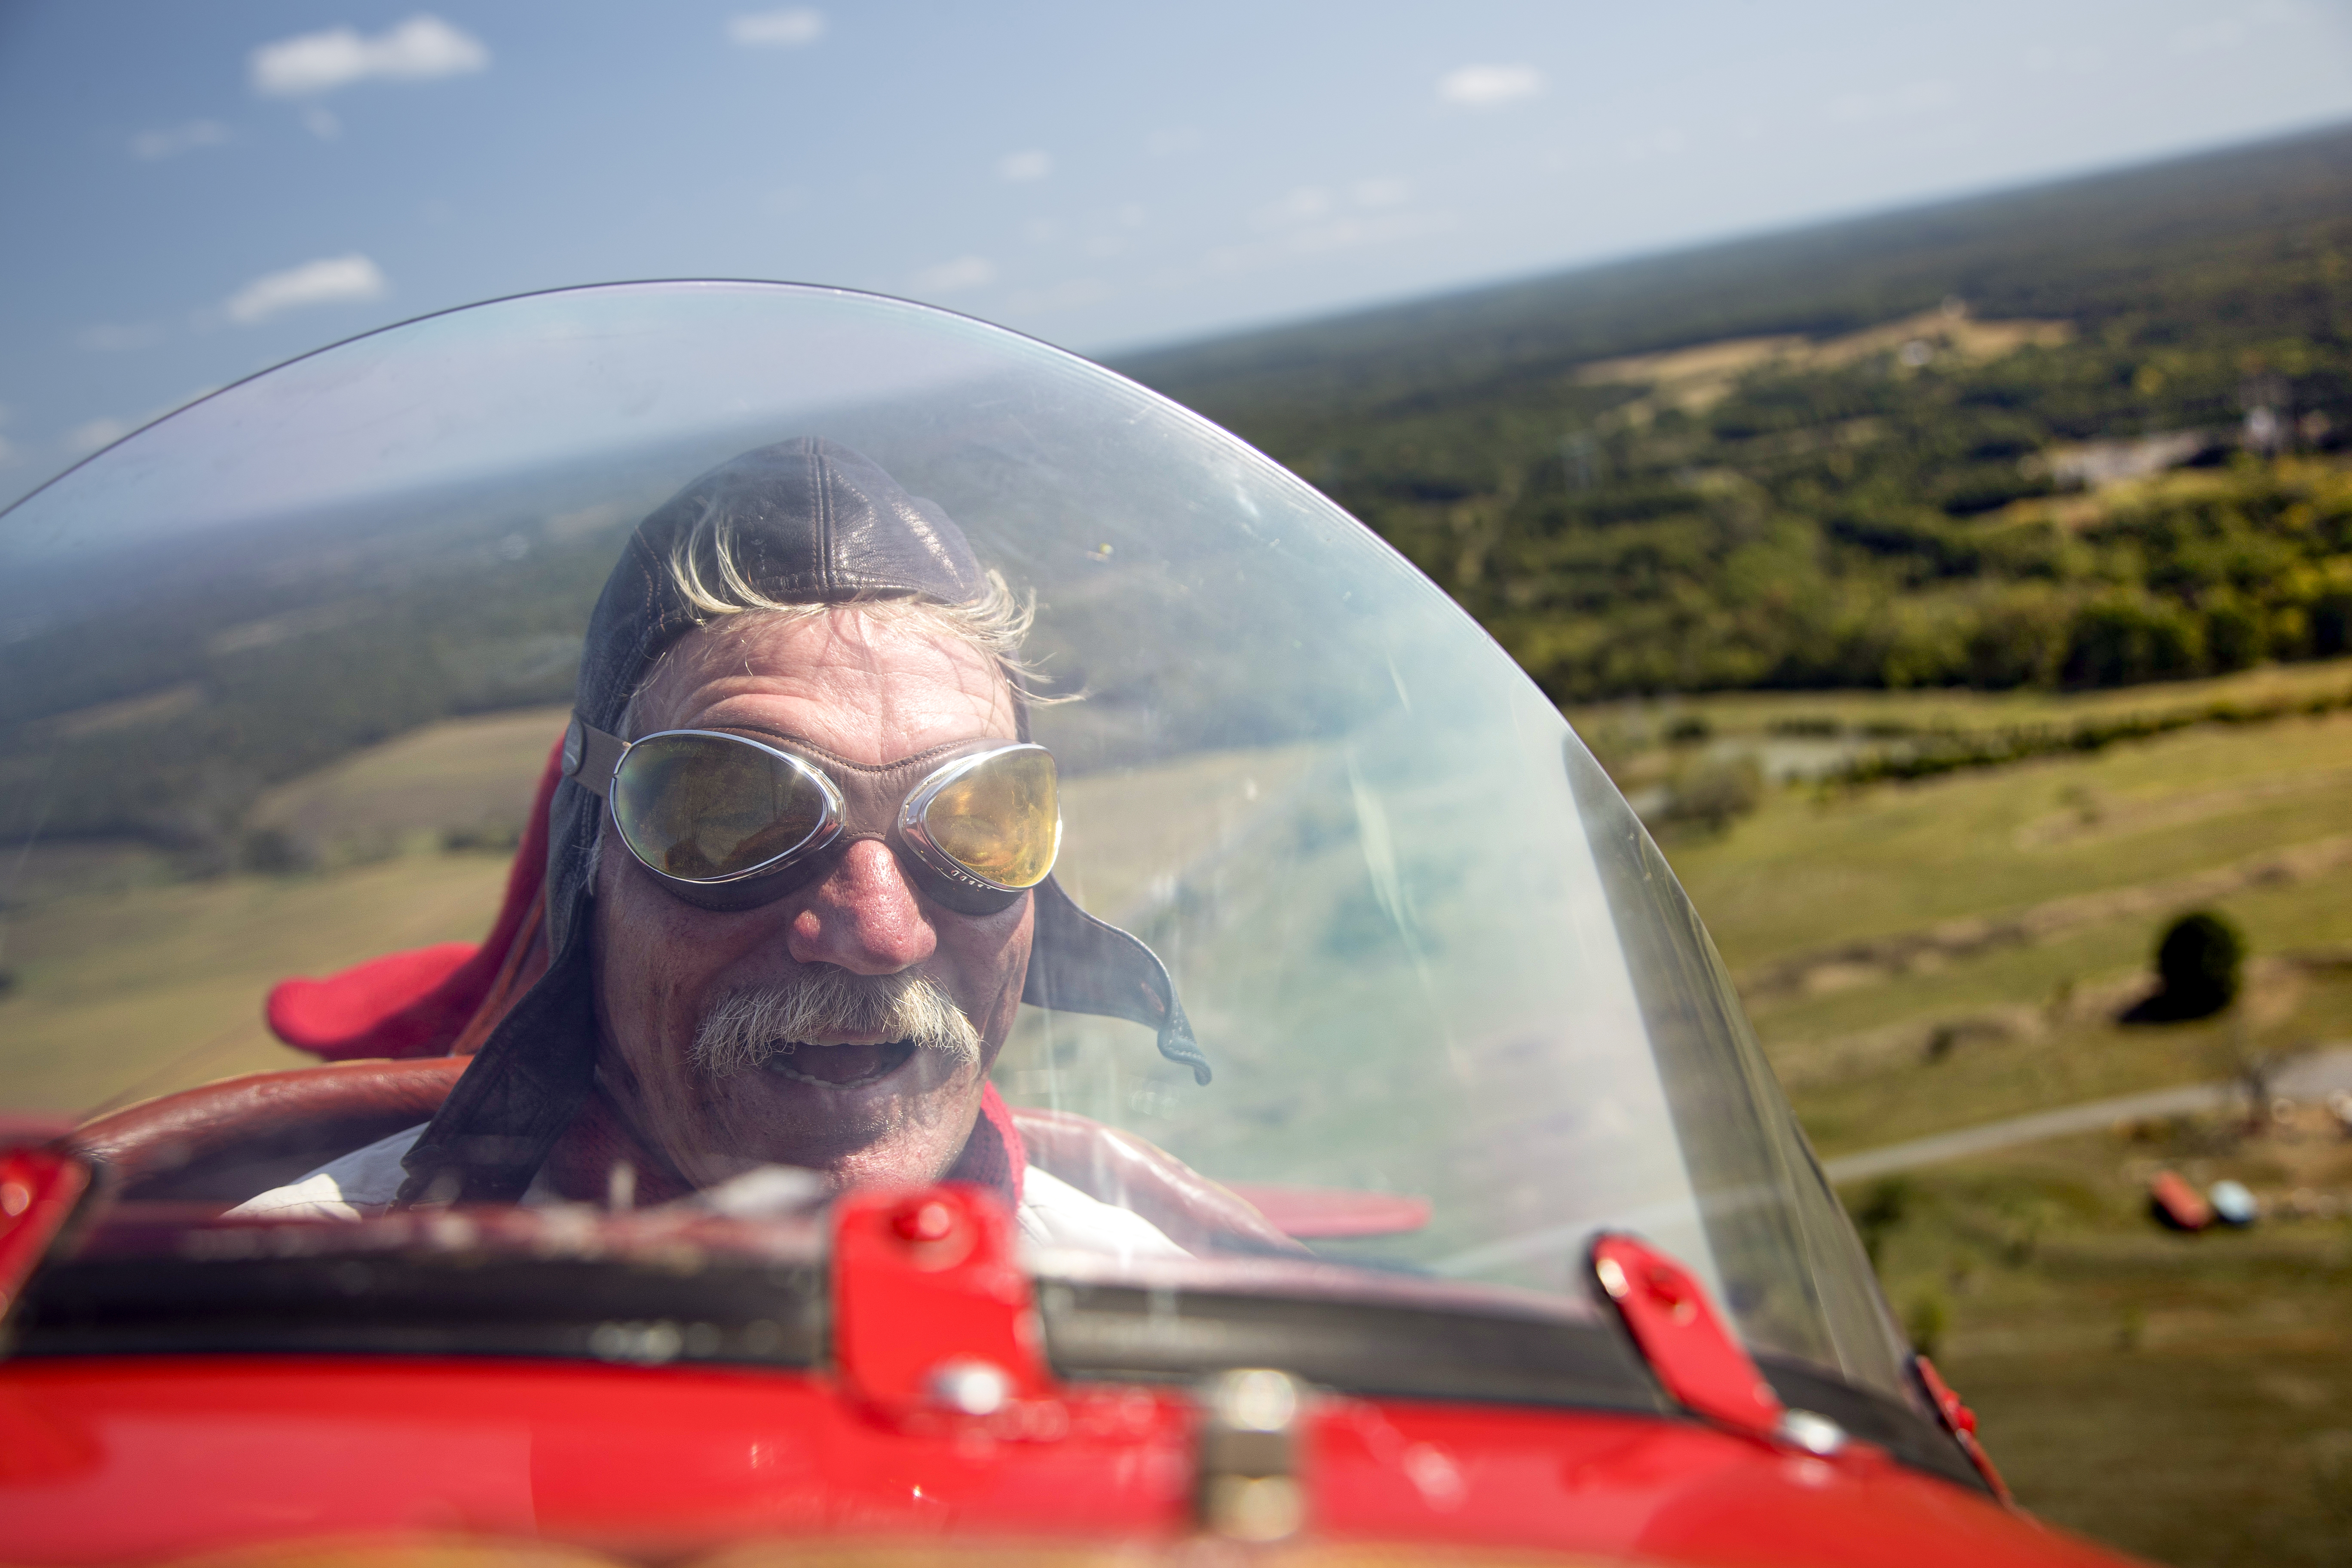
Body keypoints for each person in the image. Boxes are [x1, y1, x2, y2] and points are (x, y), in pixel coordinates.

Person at [233, 438, 1220, 1259]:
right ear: (589, 877)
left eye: (974, 817)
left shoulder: (1157, 1310)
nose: (879, 933)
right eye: (732, 817)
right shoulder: (288, 1317)